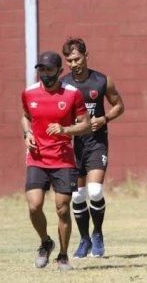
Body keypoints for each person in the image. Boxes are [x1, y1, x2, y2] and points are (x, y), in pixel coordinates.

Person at [21, 51, 90, 270]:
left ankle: (62, 255)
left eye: (49, 70)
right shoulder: (29, 93)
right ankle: (45, 242)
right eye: (41, 69)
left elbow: (86, 124)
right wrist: (27, 134)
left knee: (62, 209)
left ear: (60, 71)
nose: (44, 74)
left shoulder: (72, 94)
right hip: (37, 158)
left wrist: (64, 129)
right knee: (34, 205)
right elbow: (25, 117)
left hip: (63, 160)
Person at [60, 37, 125, 258]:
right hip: (72, 145)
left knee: (95, 191)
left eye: (77, 59)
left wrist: (104, 118)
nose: (73, 64)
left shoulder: (102, 81)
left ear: (86, 56)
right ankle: (84, 240)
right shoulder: (63, 85)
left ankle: (97, 234)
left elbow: (119, 106)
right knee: (77, 196)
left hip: (96, 143)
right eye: (69, 60)